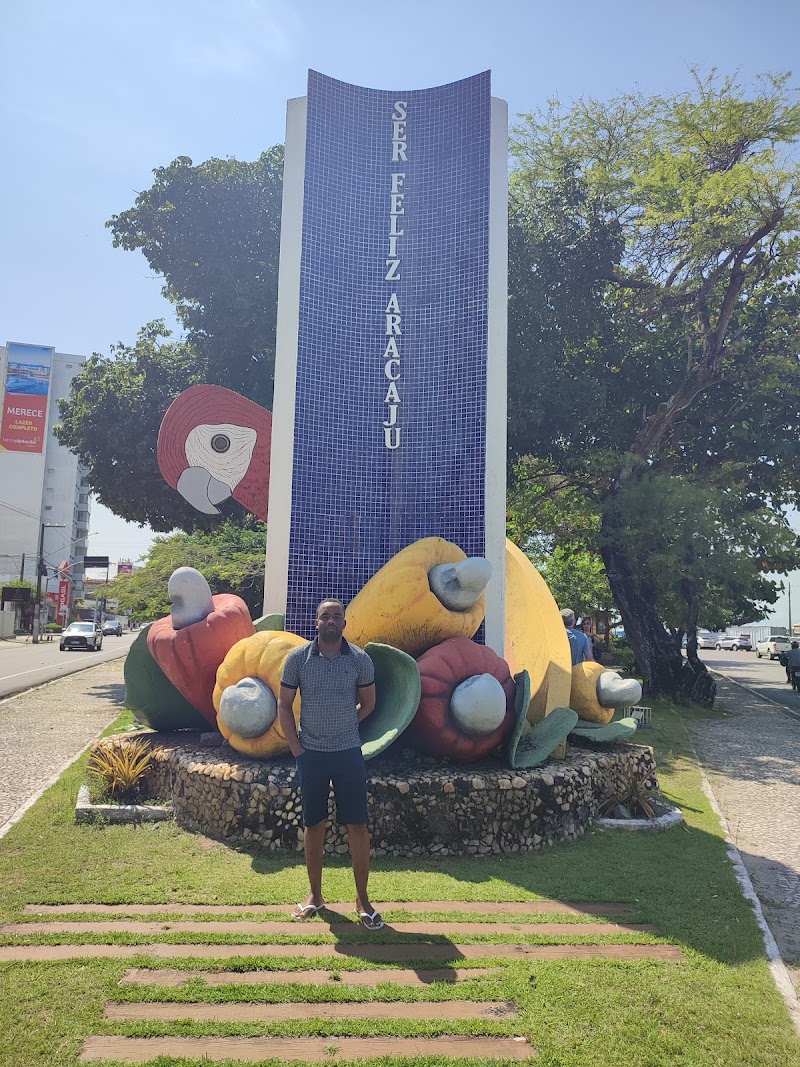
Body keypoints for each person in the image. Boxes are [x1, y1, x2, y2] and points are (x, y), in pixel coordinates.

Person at [278, 598, 381, 929]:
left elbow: (368, 703)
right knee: (314, 825)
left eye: (337, 616)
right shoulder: (297, 660)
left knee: (358, 826)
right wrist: (296, 747)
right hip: (311, 755)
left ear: (344, 624)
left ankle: (363, 899)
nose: (332, 621)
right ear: (316, 622)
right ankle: (315, 896)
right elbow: (284, 705)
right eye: (326, 616)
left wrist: (347, 724)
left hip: (348, 752)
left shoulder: (360, 661)